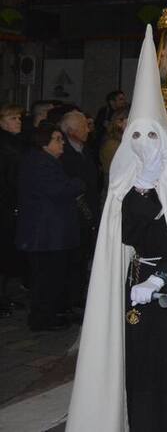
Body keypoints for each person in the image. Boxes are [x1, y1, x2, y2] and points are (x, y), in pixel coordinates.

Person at [67, 26, 167, 432]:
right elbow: (124, 235)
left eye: (152, 134)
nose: (144, 142)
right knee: (137, 365)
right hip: (134, 279)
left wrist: (163, 277)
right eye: (136, 134)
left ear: (165, 137)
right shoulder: (125, 176)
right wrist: (142, 185)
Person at [15, 123, 84, 331]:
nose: (62, 143)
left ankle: (52, 313)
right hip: (44, 234)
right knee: (46, 278)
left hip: (50, 232)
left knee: (53, 276)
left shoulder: (46, 161)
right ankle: (43, 318)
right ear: (44, 143)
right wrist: (78, 184)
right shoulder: (40, 163)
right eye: (57, 139)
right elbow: (57, 190)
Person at [0, 105, 24, 314]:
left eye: (19, 118)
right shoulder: (5, 146)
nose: (18, 121)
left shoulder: (14, 144)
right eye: (13, 118)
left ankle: (4, 296)